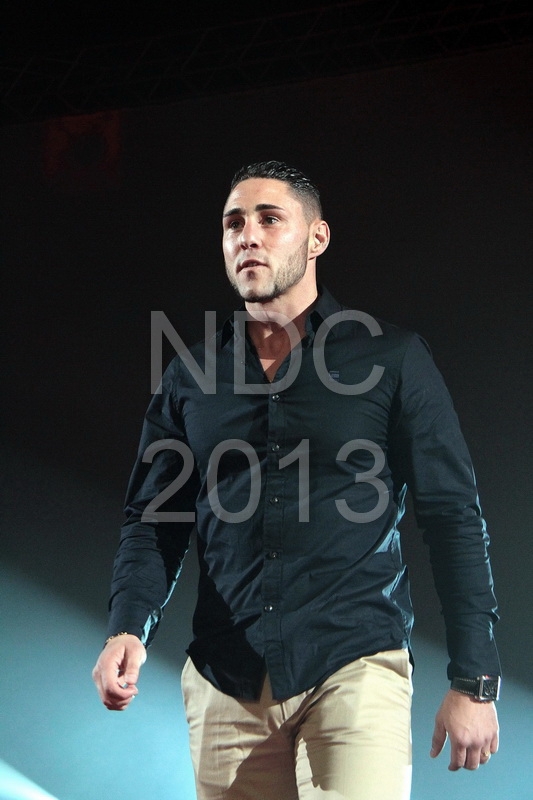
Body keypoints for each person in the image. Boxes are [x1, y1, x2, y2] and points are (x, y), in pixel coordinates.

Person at [92, 160, 501, 800]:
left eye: (269, 219)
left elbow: (453, 517)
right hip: (226, 676)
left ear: (317, 237)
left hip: (354, 662)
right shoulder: (190, 375)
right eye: (233, 223)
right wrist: (128, 624)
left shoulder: (390, 358)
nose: (247, 236)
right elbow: (153, 519)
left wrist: (474, 679)